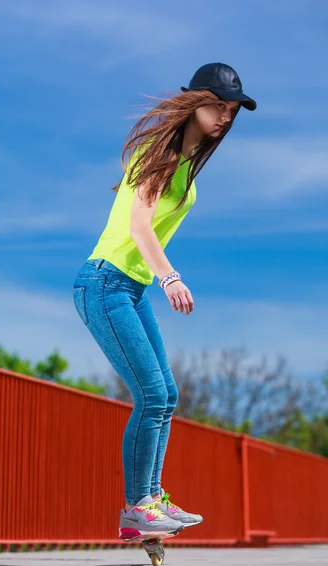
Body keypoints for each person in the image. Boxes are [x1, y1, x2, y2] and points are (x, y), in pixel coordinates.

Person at [73, 63, 257, 541]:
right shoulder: (162, 152)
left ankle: (150, 500)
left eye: (232, 109)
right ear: (194, 101)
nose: (225, 116)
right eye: (217, 104)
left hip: (128, 288)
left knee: (167, 395)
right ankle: (137, 508)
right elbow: (139, 226)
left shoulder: (187, 162)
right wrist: (170, 277)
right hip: (104, 283)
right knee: (152, 395)